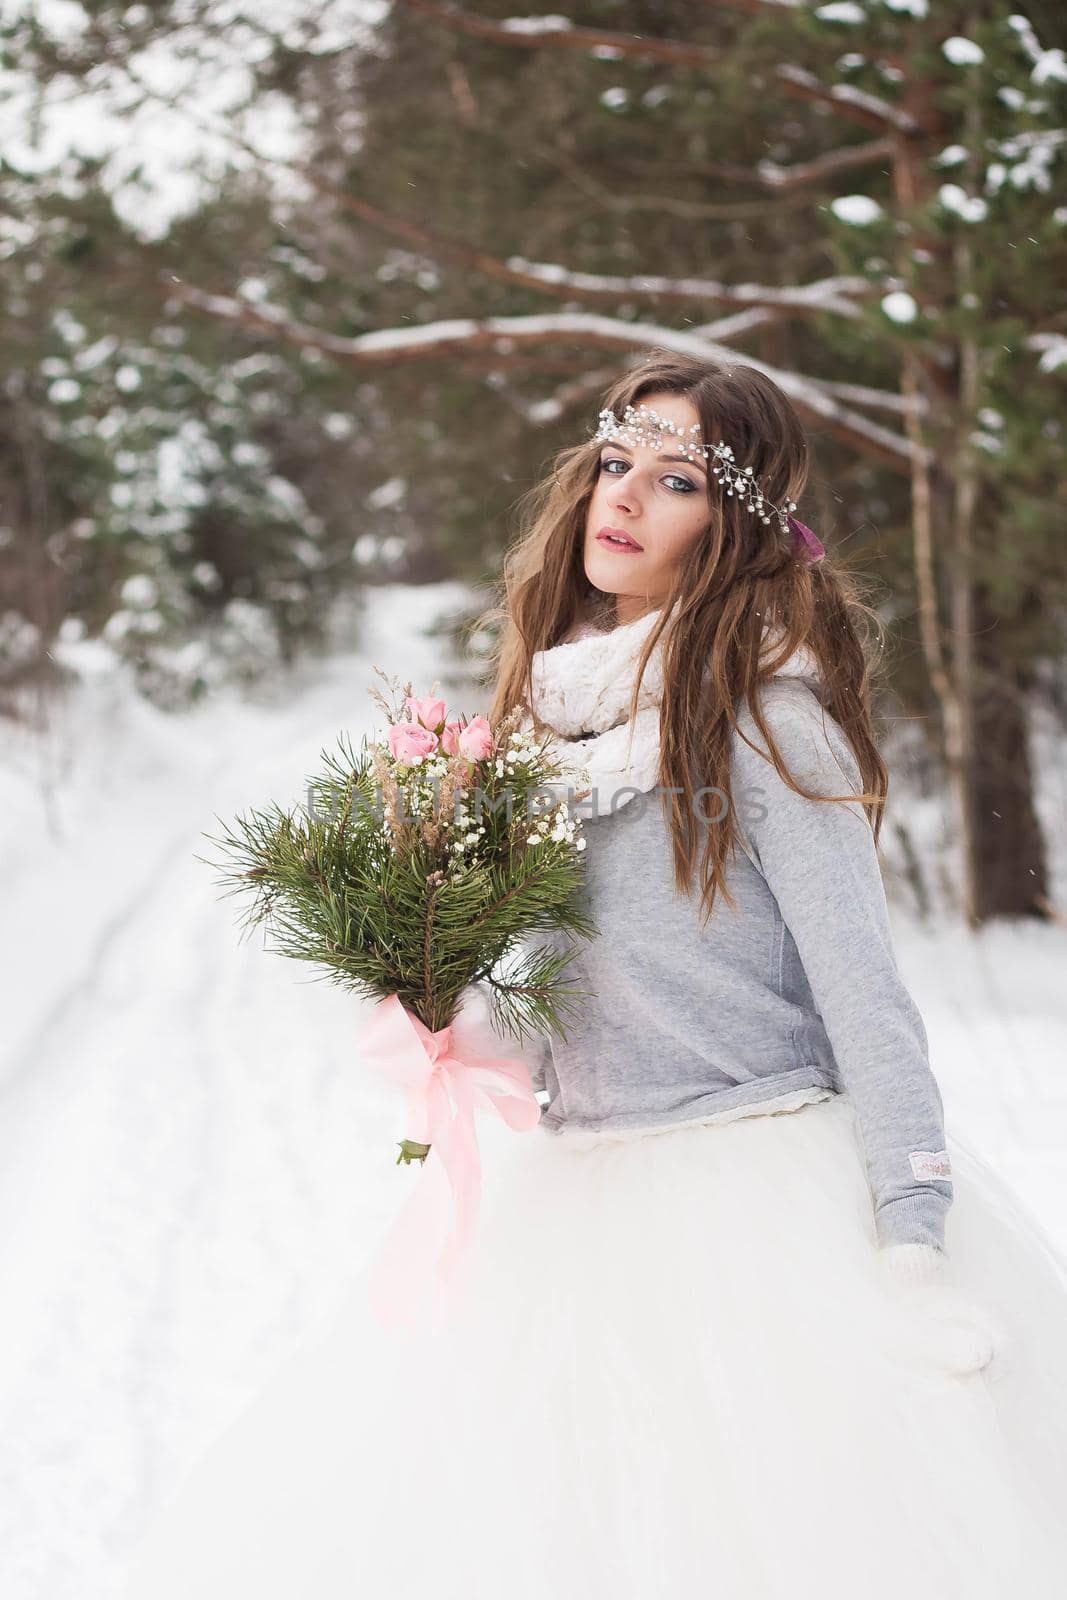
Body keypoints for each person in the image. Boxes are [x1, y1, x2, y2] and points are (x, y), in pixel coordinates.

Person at [122, 355, 1067, 1598]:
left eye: (672, 479)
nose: (620, 499)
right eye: (613, 464)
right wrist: (431, 984)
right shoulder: (547, 728)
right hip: (573, 1193)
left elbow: (865, 990)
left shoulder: (766, 722)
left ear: (728, 525)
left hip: (753, 1192)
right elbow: (566, 998)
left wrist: (910, 1233)